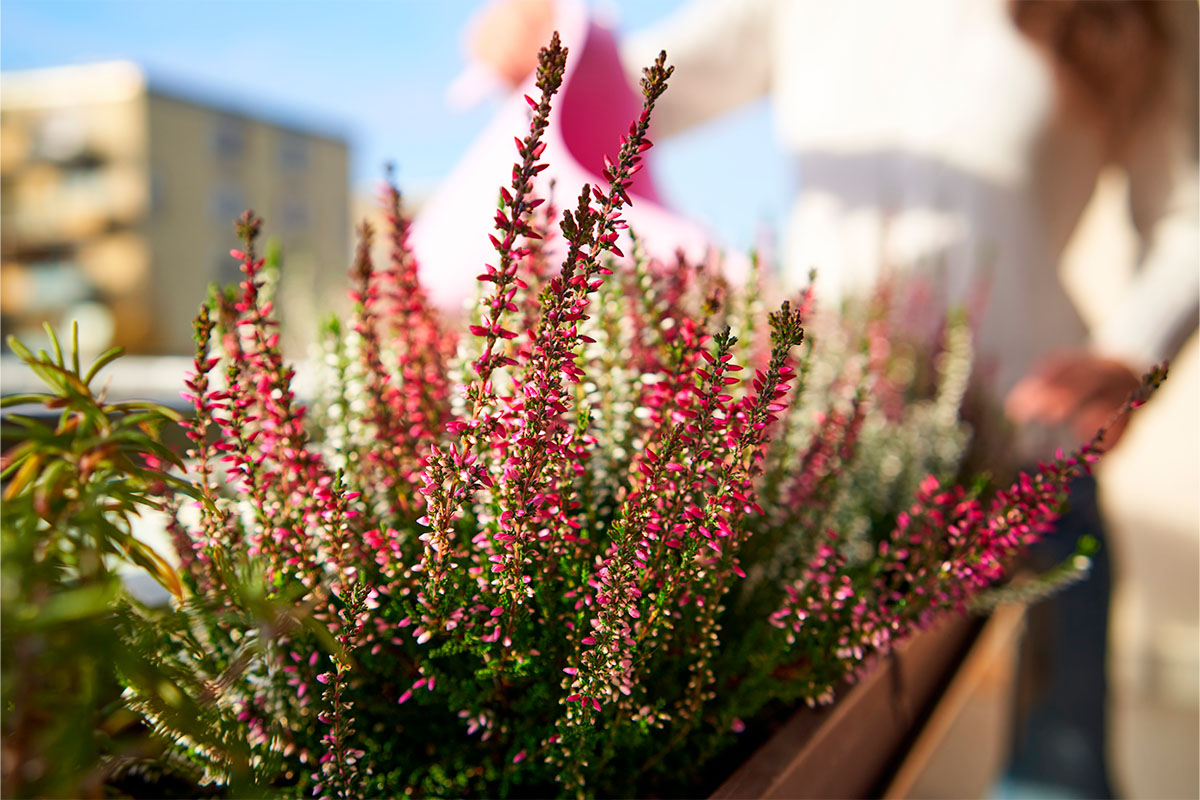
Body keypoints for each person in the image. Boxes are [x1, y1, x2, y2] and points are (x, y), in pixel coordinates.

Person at [466, 1, 1198, 795]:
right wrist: (554, 45)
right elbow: (634, 87)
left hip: (1026, 467)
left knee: (1056, 778)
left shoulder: (1127, 20)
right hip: (832, 477)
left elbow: (1187, 212)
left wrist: (1133, 353)